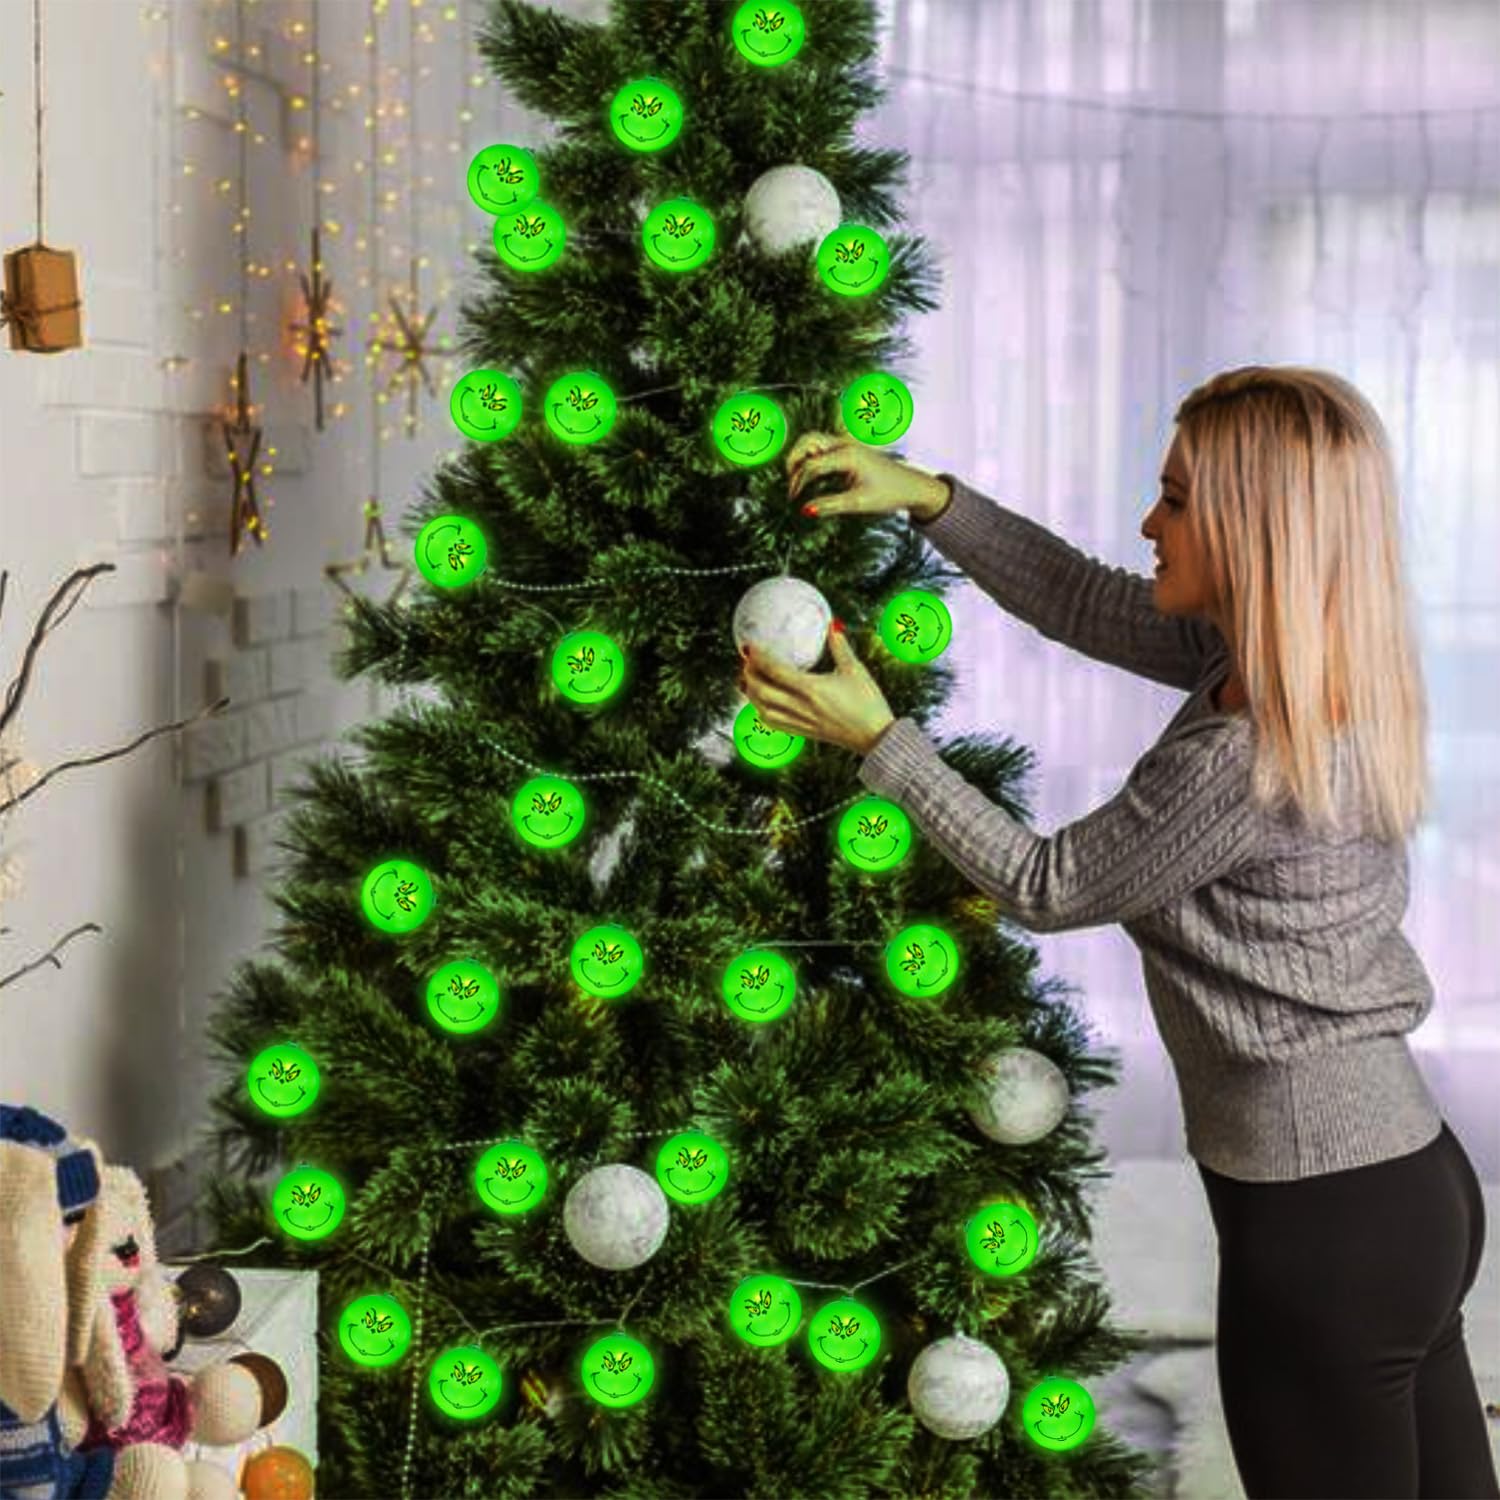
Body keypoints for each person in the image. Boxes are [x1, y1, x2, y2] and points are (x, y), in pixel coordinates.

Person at [740, 364, 1498, 1499]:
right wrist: (929, 497)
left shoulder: (1243, 759)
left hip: (1325, 1228)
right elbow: (1085, 600)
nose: (1150, 522)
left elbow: (1047, 883)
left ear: (1255, 530)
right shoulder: (1292, 671)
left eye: (1180, 499)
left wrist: (881, 743)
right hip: (1404, 1191)